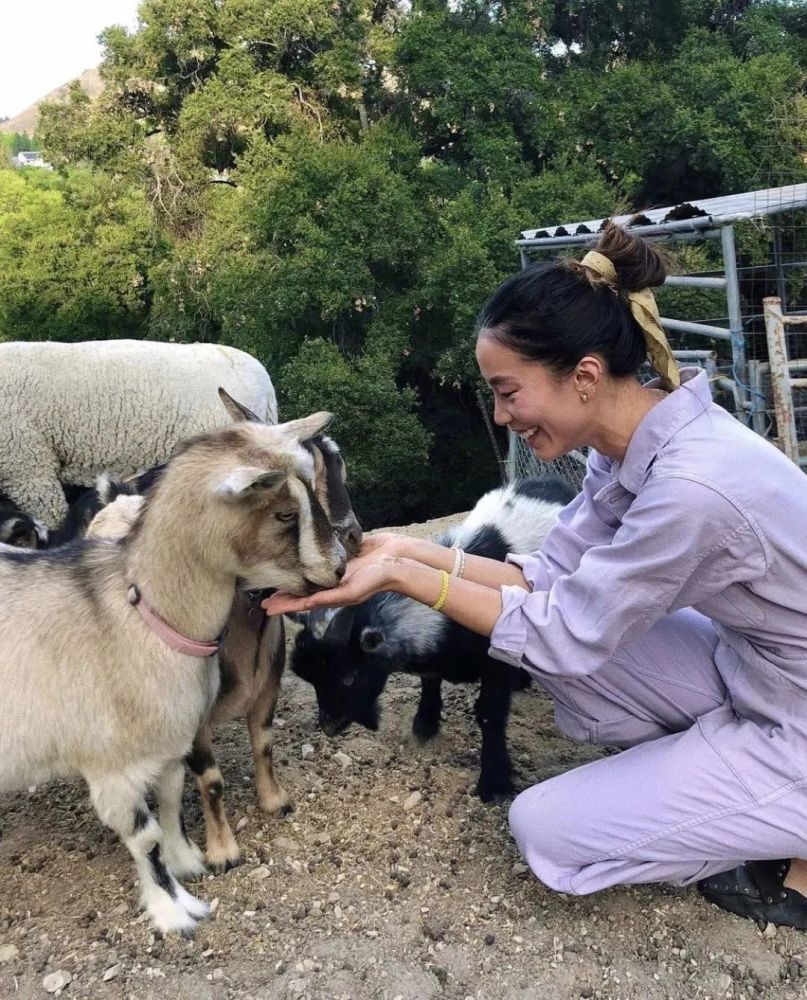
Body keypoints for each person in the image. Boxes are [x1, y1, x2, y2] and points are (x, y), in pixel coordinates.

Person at [263, 222, 807, 929]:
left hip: (793, 712)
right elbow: (548, 579)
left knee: (547, 827)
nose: (498, 415)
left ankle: (764, 815)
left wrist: (404, 580)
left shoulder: (690, 488)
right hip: (763, 673)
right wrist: (406, 553)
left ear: (582, 376)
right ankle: (724, 787)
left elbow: (563, 635)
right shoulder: (633, 449)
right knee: (544, 639)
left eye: (507, 392)